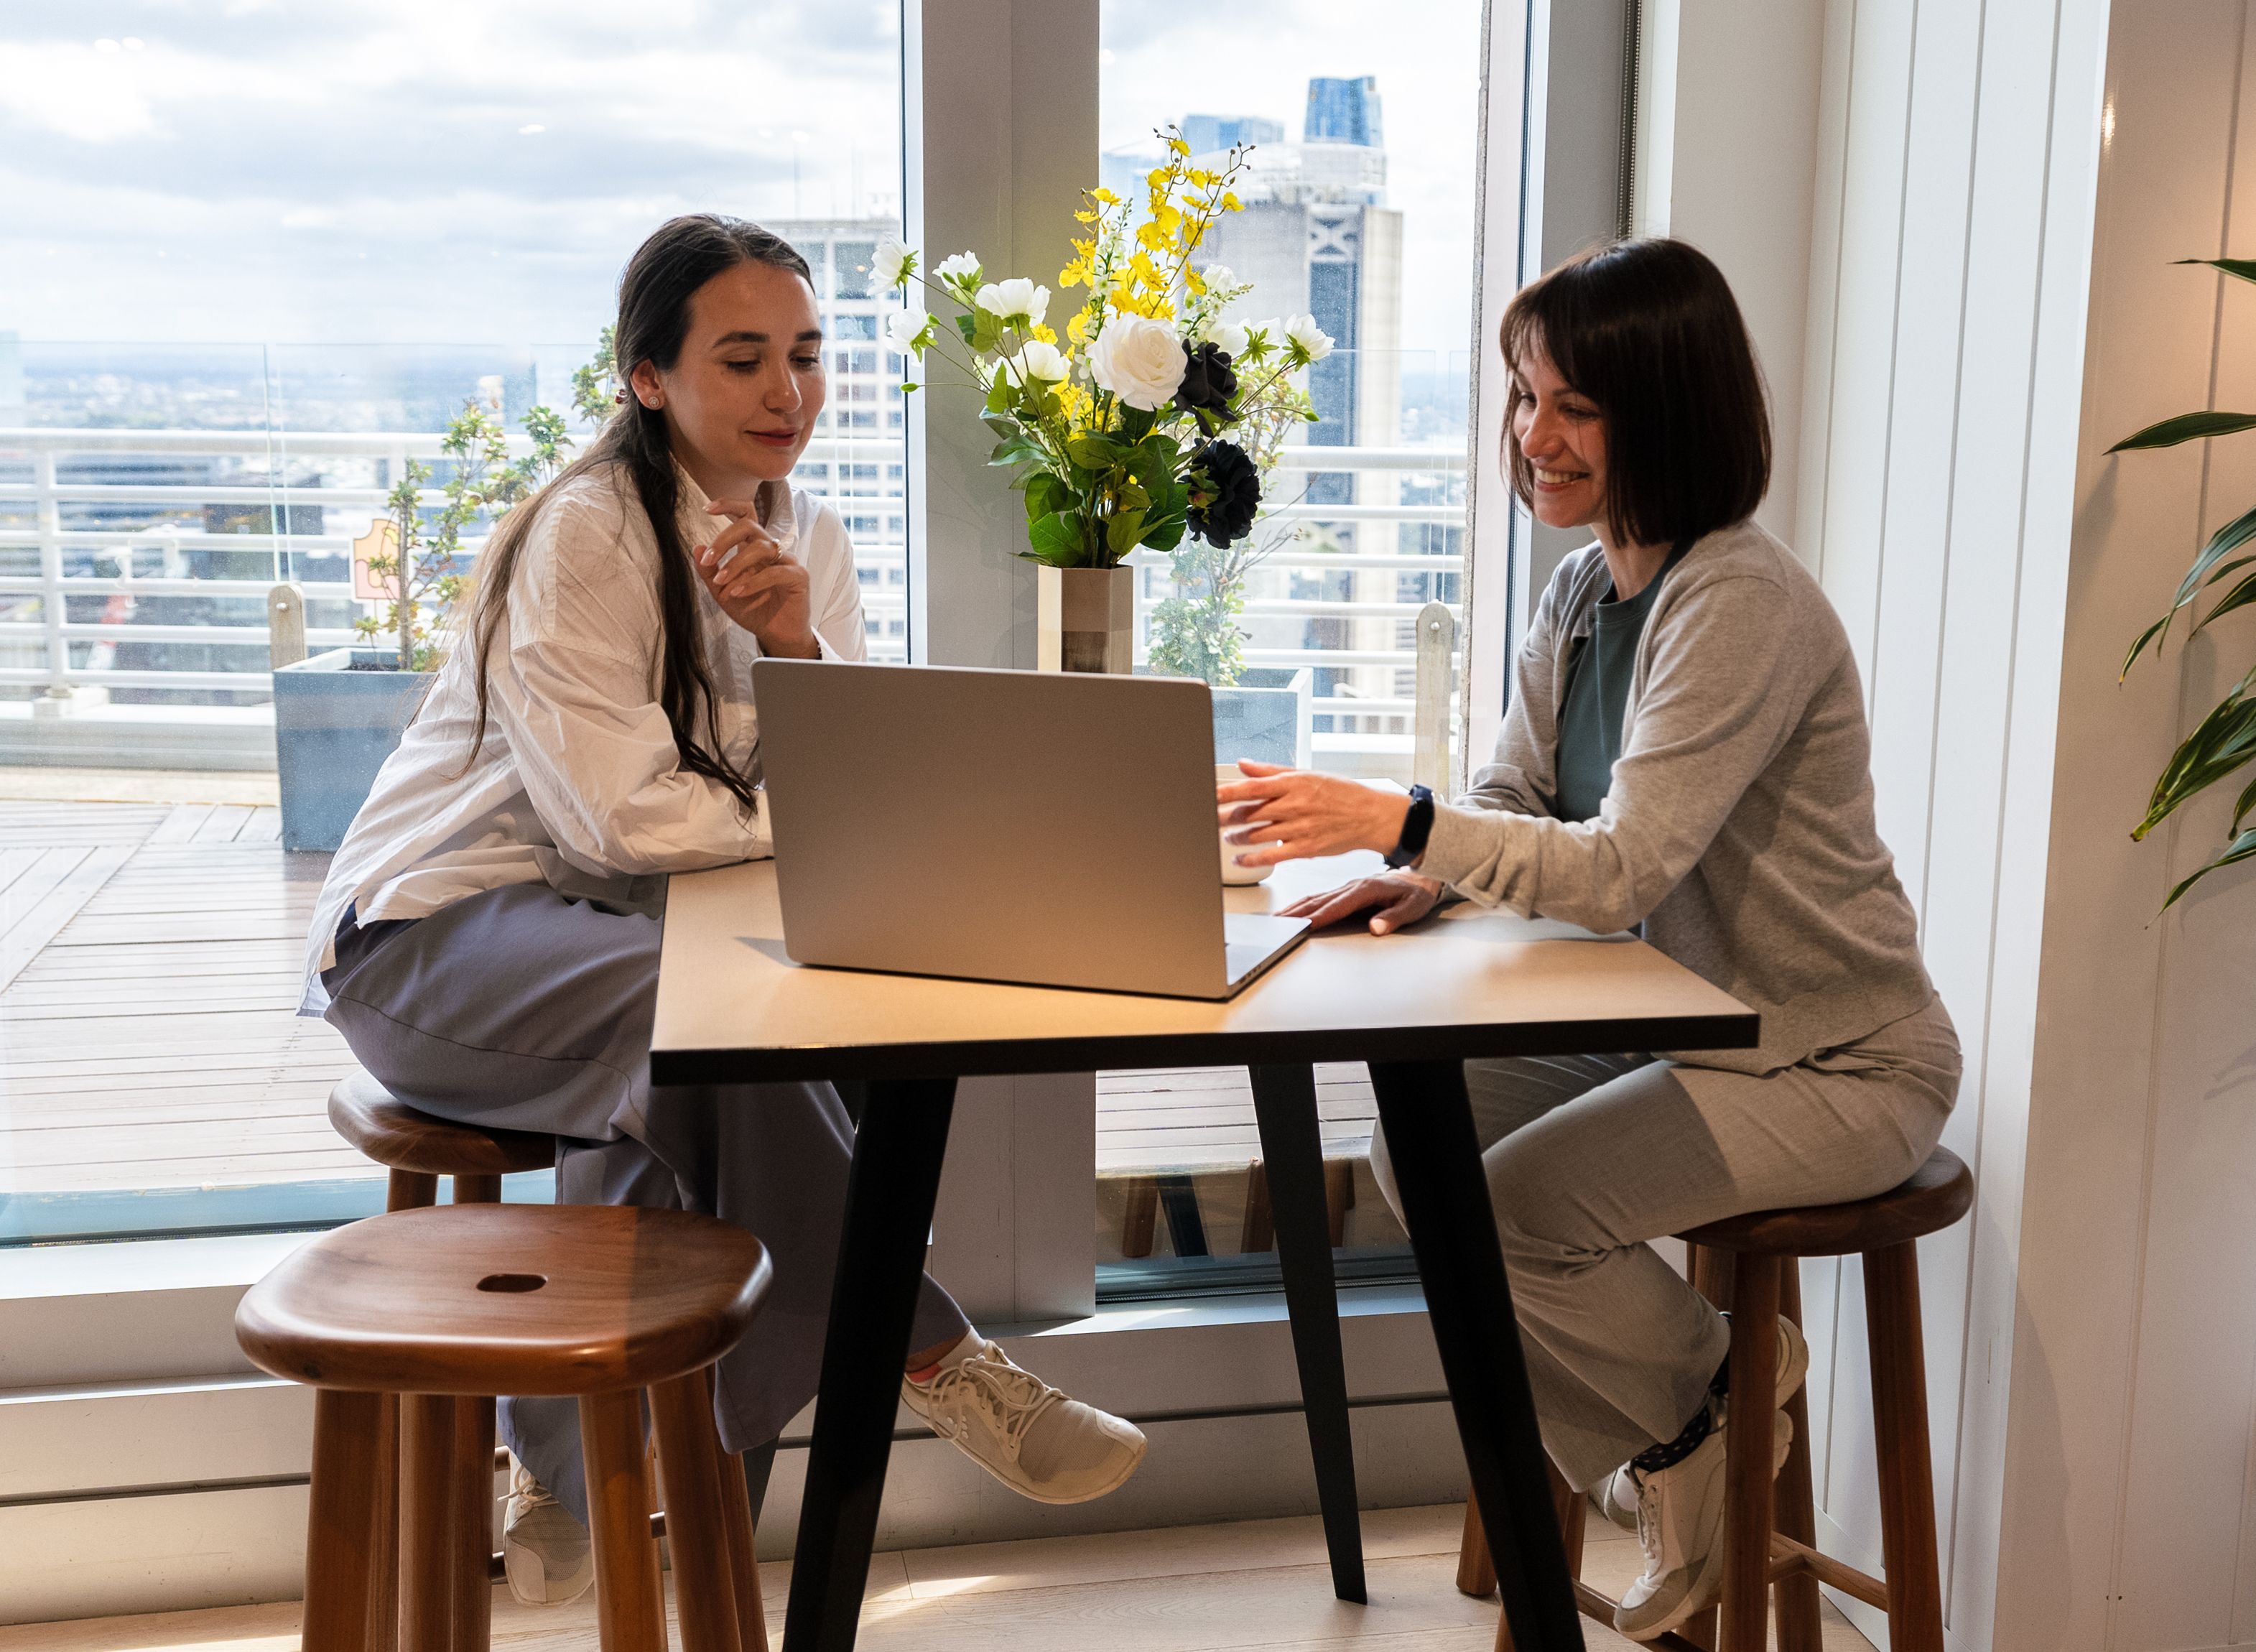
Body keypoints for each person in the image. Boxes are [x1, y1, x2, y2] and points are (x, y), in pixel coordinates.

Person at [300, 215, 1145, 1609]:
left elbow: (855, 781)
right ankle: (930, 1353)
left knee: (726, 1075)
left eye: (806, 357)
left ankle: (578, 1472)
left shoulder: (805, 534)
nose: (785, 394)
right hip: (438, 938)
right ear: (647, 378)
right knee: (705, 1030)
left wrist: (798, 648)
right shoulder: (580, 534)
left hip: (635, 937)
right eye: (742, 358)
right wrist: (809, 802)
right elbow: (614, 821)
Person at [1215, 238, 1958, 1643]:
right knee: (1413, 1148)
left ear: (1663, 411)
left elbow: (1616, 872)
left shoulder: (1735, 600)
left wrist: (1402, 822)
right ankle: (1702, 1415)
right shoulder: (1581, 592)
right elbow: (1512, 797)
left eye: (1571, 405)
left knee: (1512, 1212)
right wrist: (1426, 874)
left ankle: (1703, 1415)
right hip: (1684, 1031)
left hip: (1833, 1060)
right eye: (1517, 396)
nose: (1530, 436)